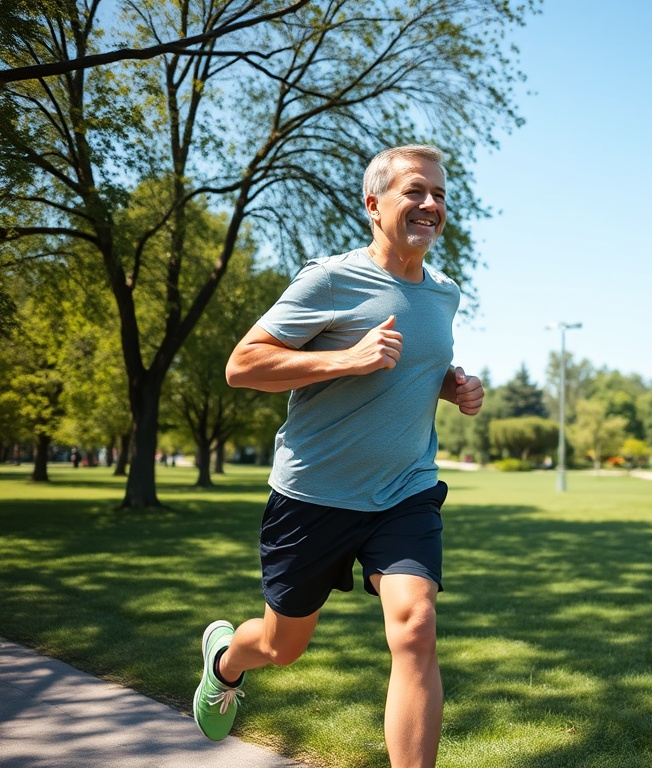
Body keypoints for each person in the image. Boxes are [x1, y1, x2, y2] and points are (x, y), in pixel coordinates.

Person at [192, 144, 485, 768]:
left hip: (404, 490)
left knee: (415, 627)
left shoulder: (445, 294)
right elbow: (242, 366)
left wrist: (452, 385)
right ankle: (225, 661)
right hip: (313, 494)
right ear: (373, 204)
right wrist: (344, 360)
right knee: (282, 646)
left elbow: (411, 365)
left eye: (439, 194)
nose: (431, 205)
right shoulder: (330, 279)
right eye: (415, 192)